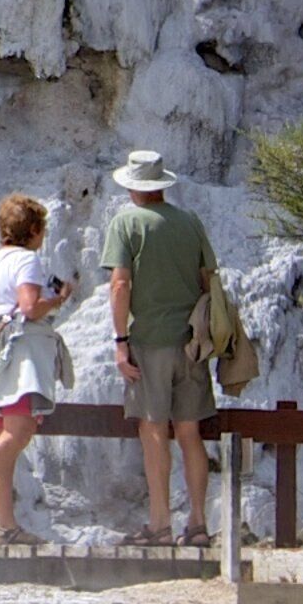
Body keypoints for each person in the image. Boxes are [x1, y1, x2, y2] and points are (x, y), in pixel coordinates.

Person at [102, 149, 221, 544]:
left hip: (150, 341)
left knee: (154, 431)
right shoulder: (189, 222)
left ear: (134, 187)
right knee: (190, 432)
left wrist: (121, 341)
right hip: (191, 343)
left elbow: (120, 285)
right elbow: (209, 280)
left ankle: (159, 524)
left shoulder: (126, 223)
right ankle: (199, 523)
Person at [0, 194, 72, 544]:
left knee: (4, 436)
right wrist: (59, 299)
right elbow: (30, 307)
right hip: (21, 355)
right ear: (34, 230)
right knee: (17, 433)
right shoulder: (28, 261)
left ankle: (6, 525)